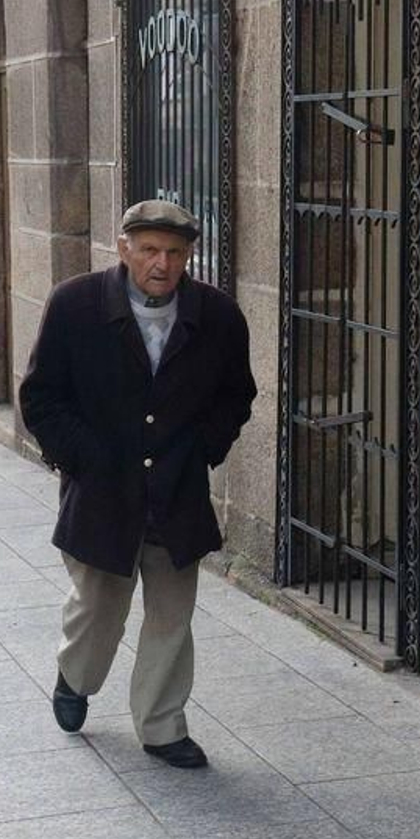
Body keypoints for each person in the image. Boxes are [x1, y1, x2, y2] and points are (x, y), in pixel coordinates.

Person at [19, 199, 257, 769]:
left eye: (175, 253)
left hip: (178, 494)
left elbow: (236, 395)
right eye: (149, 250)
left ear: (189, 257)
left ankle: (161, 724)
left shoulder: (219, 317)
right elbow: (41, 398)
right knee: (99, 607)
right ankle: (75, 677)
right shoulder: (75, 305)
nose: (162, 263)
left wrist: (204, 447)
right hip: (102, 494)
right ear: (123, 249)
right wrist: (85, 459)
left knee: (172, 616)